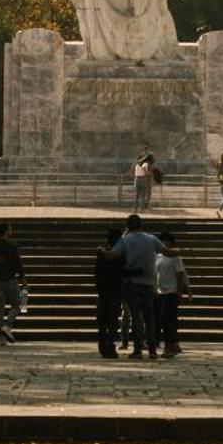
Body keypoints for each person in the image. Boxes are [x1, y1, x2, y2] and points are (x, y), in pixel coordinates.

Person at [101, 213, 162, 357]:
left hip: (132, 283)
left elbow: (112, 255)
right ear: (141, 225)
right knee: (149, 318)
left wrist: (100, 250)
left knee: (136, 317)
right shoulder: (151, 239)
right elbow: (166, 251)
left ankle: (138, 350)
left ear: (127, 226)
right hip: (148, 283)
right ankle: (152, 350)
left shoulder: (125, 240)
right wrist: (177, 251)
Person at [0, 222, 25, 345]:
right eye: (10, 230)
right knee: (18, 305)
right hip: (10, 279)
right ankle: (7, 326)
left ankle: (1, 338)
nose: (11, 232)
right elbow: (18, 262)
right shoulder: (12, 246)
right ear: (6, 231)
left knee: (0, 309)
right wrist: (22, 277)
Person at [155, 232, 191, 357]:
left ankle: (169, 346)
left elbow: (181, 274)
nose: (164, 243)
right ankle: (173, 344)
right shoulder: (158, 256)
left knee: (167, 320)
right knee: (163, 319)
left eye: (166, 241)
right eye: (162, 241)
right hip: (161, 292)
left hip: (172, 292)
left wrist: (180, 292)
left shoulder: (175, 257)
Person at [94, 225, 126, 357]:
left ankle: (103, 345)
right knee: (112, 321)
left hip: (104, 291)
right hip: (115, 291)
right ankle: (110, 345)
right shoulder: (119, 255)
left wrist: (99, 287)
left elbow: (96, 273)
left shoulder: (102, 253)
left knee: (103, 321)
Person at [131, 144, 156, 212]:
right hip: (144, 175)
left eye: (147, 149)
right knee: (143, 192)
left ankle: (144, 206)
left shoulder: (150, 156)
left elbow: (153, 164)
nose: (147, 150)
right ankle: (142, 207)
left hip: (144, 174)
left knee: (147, 191)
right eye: (146, 149)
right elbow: (137, 163)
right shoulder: (142, 156)